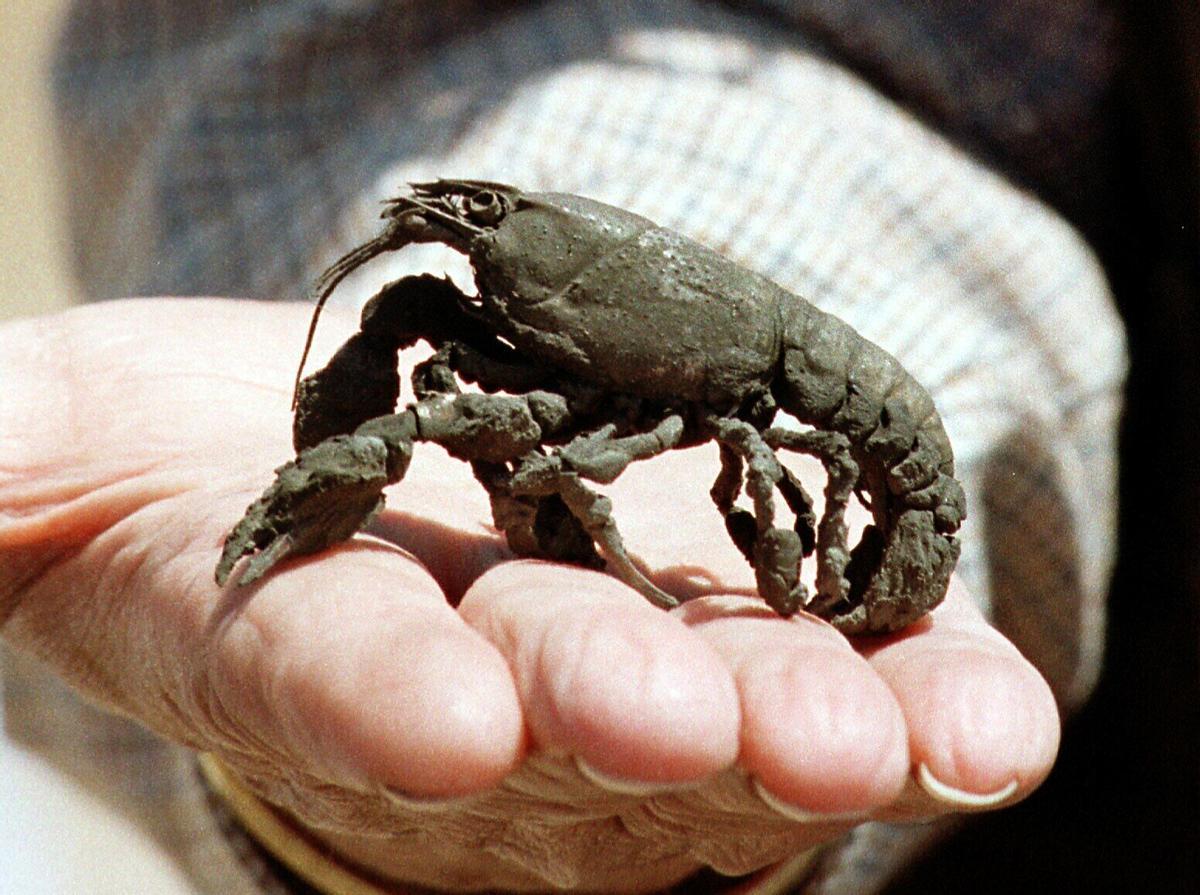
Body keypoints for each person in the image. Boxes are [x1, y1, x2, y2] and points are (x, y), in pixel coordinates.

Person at [0, 2, 1127, 892]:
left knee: (438, 421)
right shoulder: (518, 280)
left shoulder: (781, 406)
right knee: (408, 313)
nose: (467, 237)